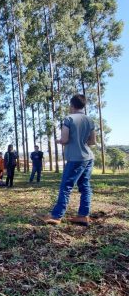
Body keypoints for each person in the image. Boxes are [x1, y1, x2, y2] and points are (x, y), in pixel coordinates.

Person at [43, 94, 96, 227]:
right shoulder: (90, 120)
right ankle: (83, 216)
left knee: (66, 186)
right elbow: (92, 141)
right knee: (85, 186)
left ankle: (56, 216)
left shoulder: (68, 119)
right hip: (88, 158)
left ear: (72, 105)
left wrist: (58, 141)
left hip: (75, 159)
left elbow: (65, 139)